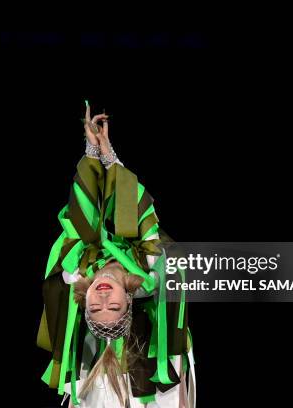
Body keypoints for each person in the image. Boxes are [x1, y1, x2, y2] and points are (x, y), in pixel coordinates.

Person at [37, 101, 195, 407]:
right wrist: (110, 157)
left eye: (95, 309)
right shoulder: (146, 271)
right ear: (128, 301)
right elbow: (141, 215)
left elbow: (78, 220)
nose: (103, 300)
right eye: (114, 308)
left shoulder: (77, 271)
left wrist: (92, 152)